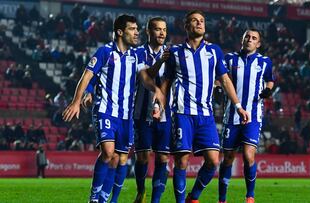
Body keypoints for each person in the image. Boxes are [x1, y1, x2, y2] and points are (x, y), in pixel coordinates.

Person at [62, 14, 165, 203]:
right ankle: (94, 198)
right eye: (132, 29)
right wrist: (77, 100)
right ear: (120, 32)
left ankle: (107, 199)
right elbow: (87, 76)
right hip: (106, 109)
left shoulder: (136, 55)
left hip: (126, 115)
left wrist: (156, 90)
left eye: (137, 29)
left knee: (119, 159)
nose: (136, 32)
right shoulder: (105, 52)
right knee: (109, 153)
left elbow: (144, 77)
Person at [161, 10, 249, 203]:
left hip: (206, 115)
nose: (199, 23)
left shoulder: (214, 51)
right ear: (186, 26)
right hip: (182, 113)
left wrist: (238, 106)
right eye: (194, 21)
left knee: (213, 161)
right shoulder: (175, 52)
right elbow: (166, 82)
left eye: (202, 21)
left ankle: (195, 196)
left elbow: (225, 80)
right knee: (182, 161)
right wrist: (159, 104)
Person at [218, 28, 274, 203]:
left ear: (258, 43)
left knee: (249, 156)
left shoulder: (265, 62)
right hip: (231, 116)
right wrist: (218, 88)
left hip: (253, 116)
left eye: (254, 38)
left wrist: (268, 90)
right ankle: (222, 199)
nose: (250, 39)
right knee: (228, 158)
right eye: (247, 37)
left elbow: (270, 80)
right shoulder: (229, 58)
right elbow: (220, 78)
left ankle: (250, 196)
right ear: (242, 40)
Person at [132, 17, 171, 203]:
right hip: (141, 113)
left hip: (164, 114)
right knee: (143, 157)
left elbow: (168, 81)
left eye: (164, 29)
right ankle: (141, 190)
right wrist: (160, 63)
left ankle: (155, 200)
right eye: (157, 29)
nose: (162, 33)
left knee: (163, 158)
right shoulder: (138, 53)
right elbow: (146, 78)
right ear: (149, 31)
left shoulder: (170, 54)